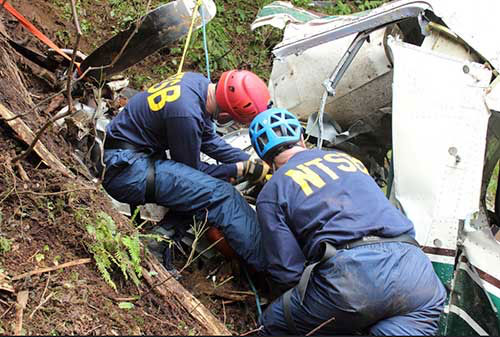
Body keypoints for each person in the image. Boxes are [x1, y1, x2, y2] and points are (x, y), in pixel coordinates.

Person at [248, 108, 446, 335]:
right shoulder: (348, 160)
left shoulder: (272, 191)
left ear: (263, 157)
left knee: (273, 324)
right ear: (302, 138)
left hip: (353, 280)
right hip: (416, 275)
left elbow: (286, 271)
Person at [101, 70, 270, 271]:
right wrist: (238, 169)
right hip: (126, 170)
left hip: (134, 158)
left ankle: (158, 241)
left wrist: (249, 161)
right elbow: (192, 171)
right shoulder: (185, 114)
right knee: (222, 194)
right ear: (225, 114)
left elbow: (208, 139)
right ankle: (268, 264)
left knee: (207, 187)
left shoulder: (197, 83)